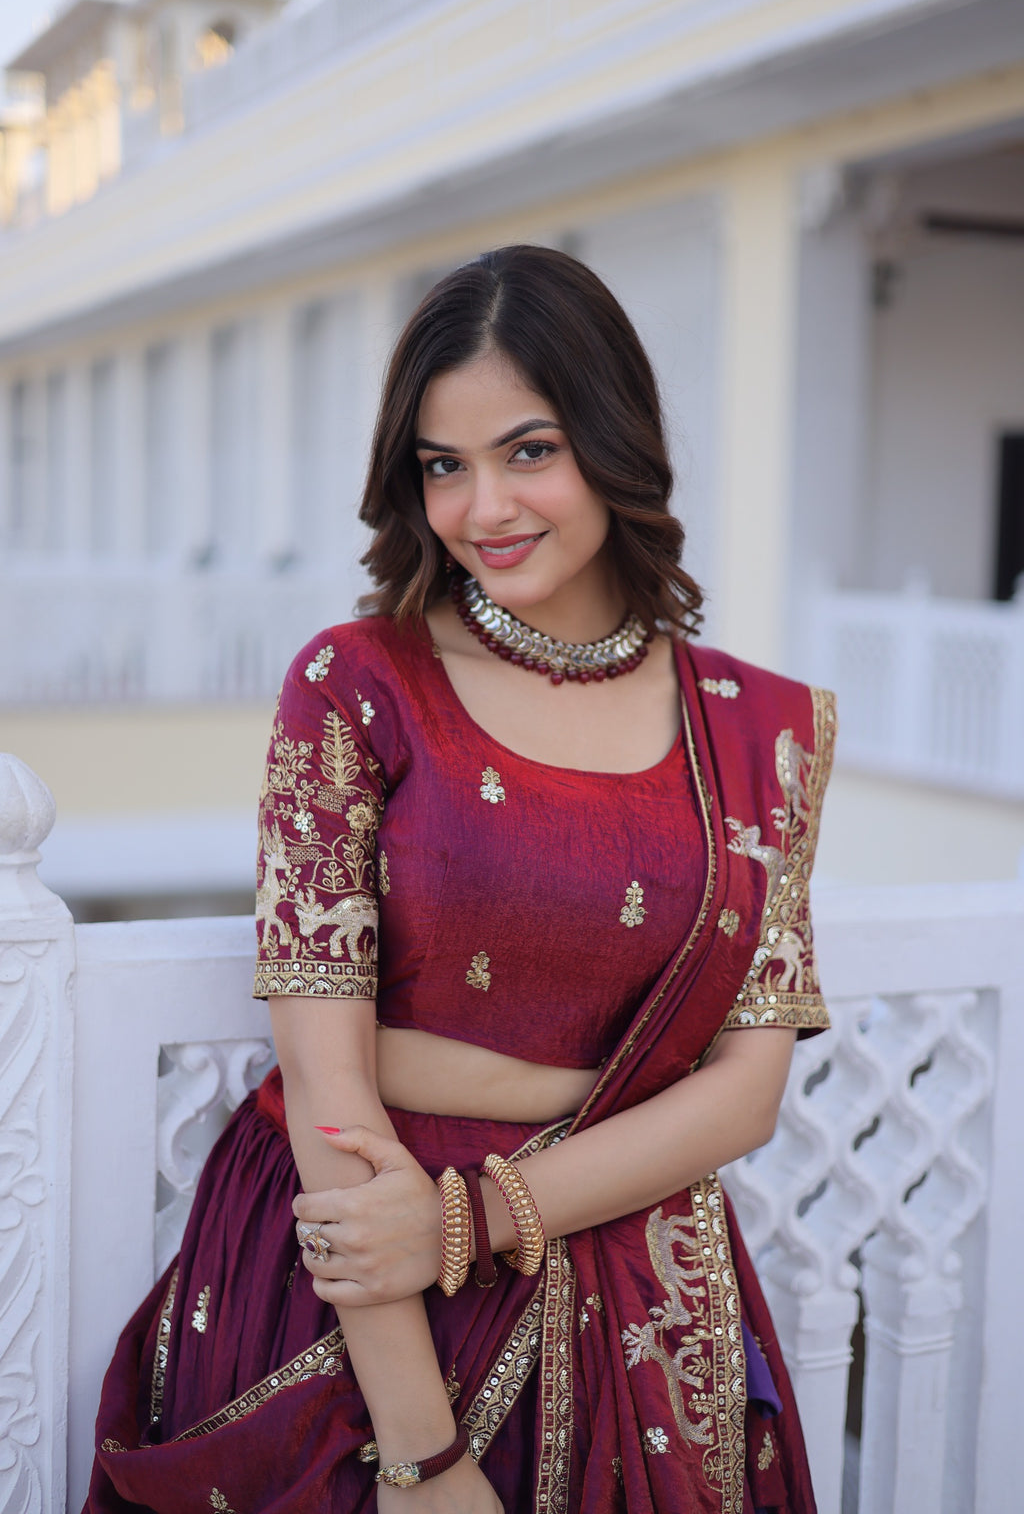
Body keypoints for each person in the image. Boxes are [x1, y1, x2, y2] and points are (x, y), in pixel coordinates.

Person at [86, 245, 834, 1514]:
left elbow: (743, 1094)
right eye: (444, 465)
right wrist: (421, 1455)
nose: (484, 506)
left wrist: (473, 1220)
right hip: (355, 1289)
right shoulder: (355, 687)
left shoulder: (764, 731)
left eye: (528, 450)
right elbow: (329, 1082)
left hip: (639, 1285)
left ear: (617, 441)